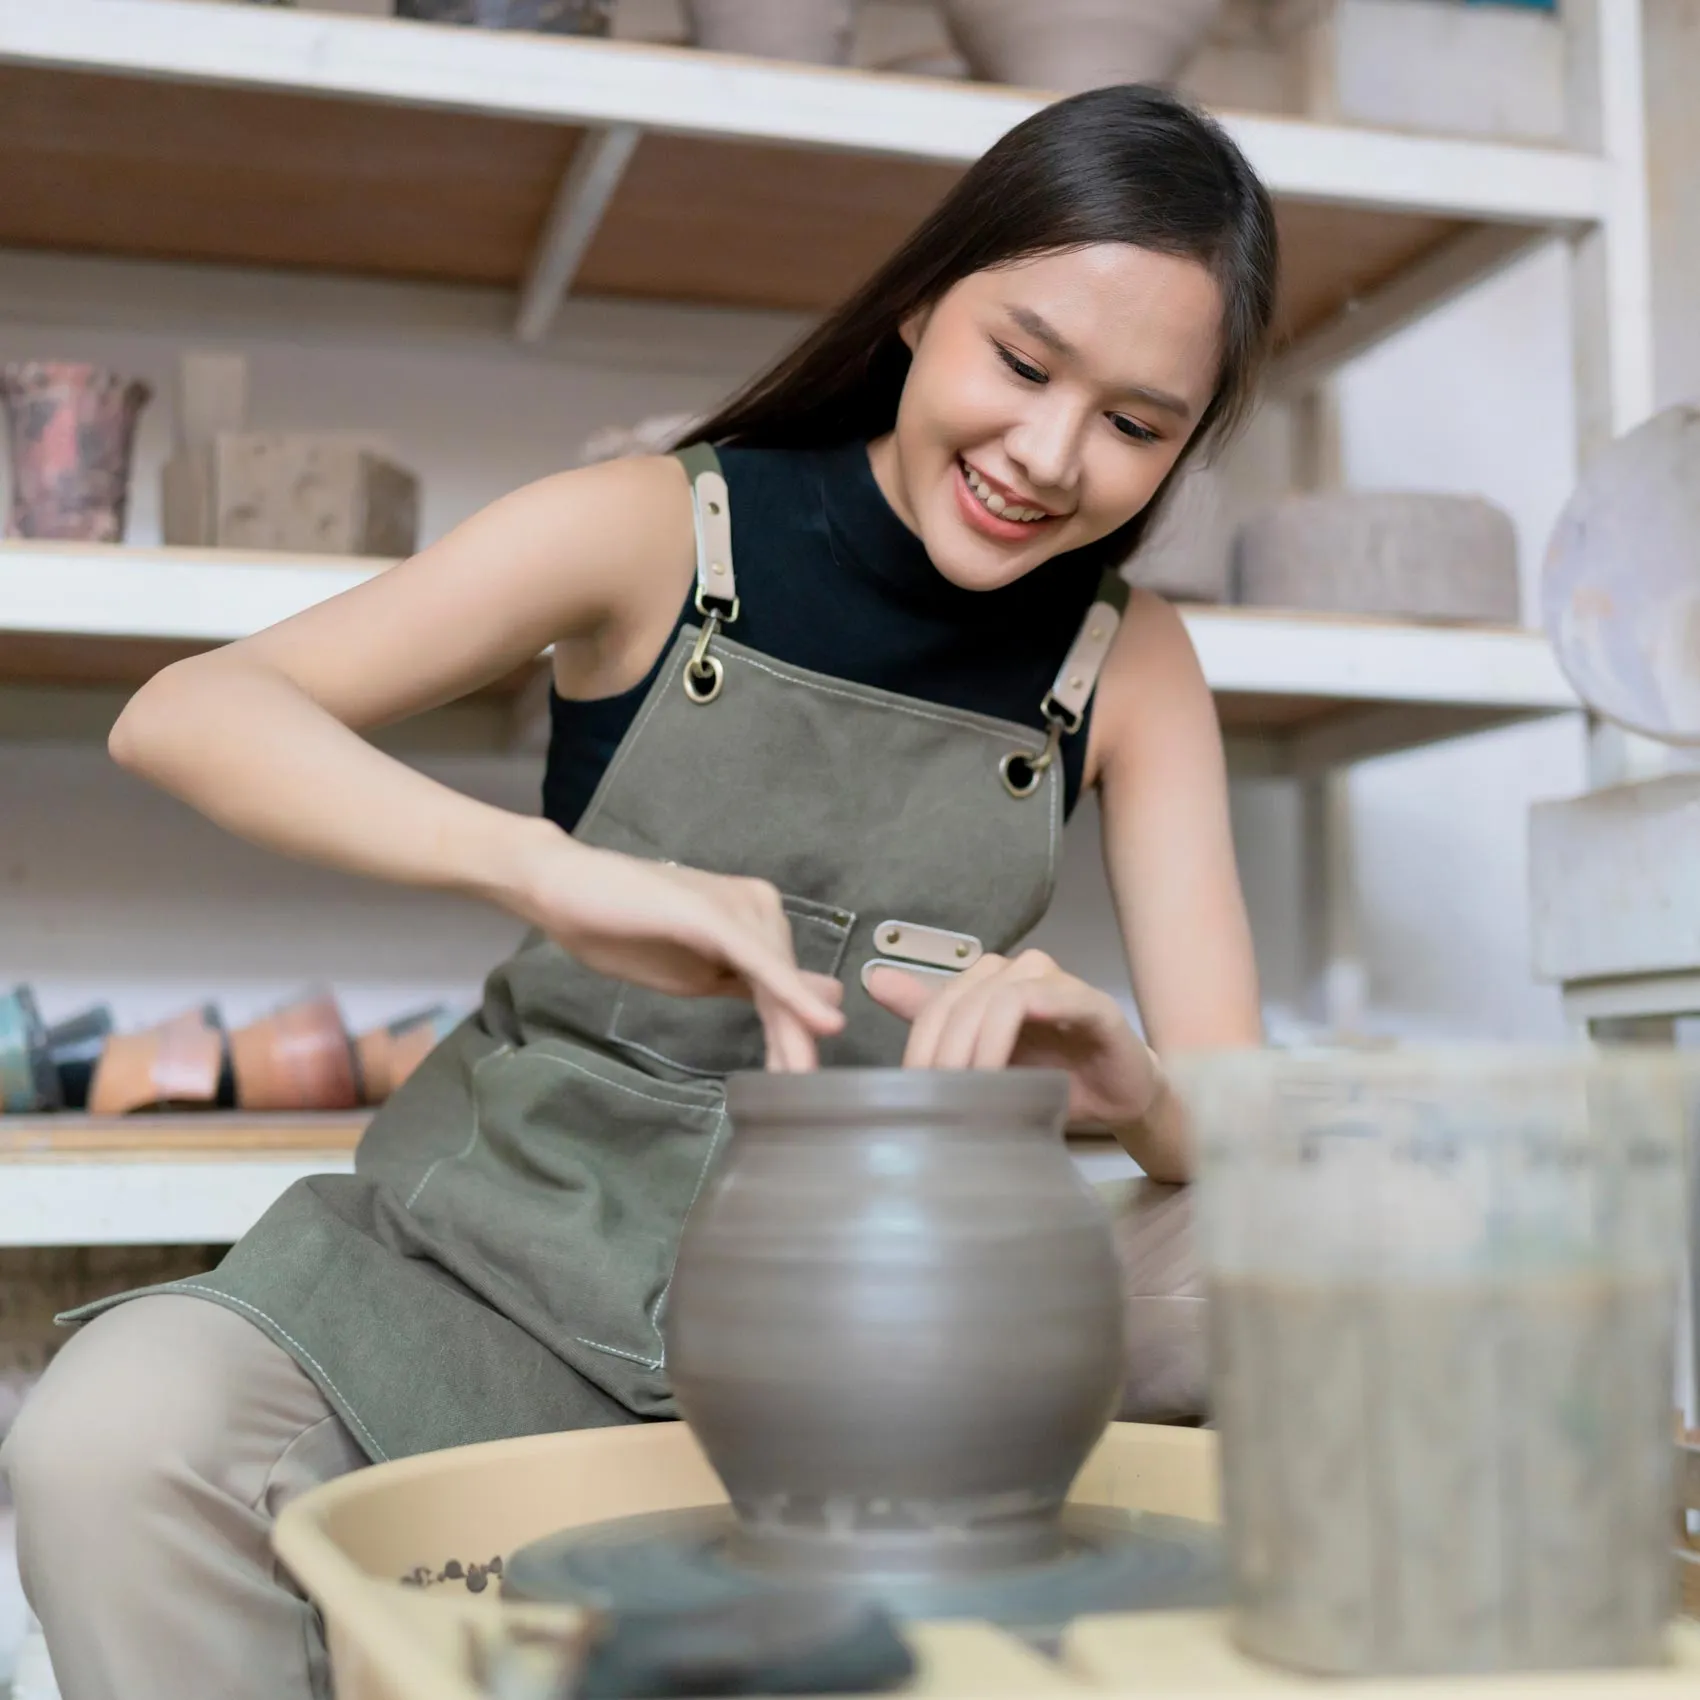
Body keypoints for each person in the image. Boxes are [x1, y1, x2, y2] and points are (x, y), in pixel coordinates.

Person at [1, 82, 1276, 1700]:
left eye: (1137, 425)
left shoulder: (1131, 661)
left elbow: (1244, 1141)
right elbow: (187, 711)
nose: (1048, 453)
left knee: (1319, 1251)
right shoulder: (662, 528)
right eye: (1023, 365)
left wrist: (1135, 1087)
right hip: (499, 1267)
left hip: (882, 1321)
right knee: (109, 1443)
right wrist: (545, 867)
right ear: (918, 303)